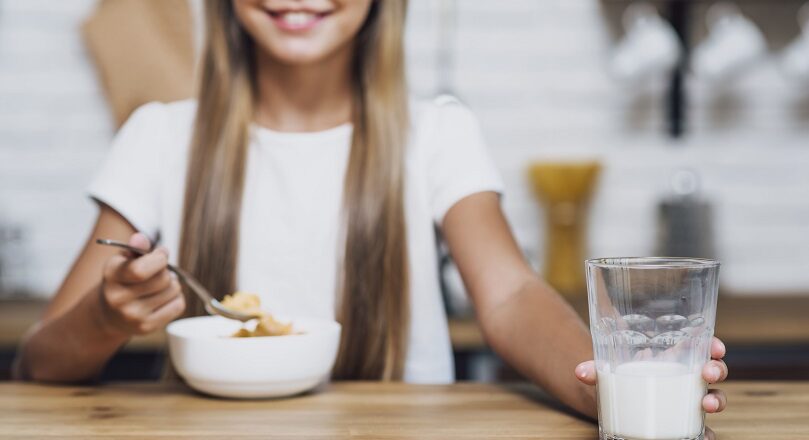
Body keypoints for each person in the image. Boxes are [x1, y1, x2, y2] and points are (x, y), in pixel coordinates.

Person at [13, 0, 727, 421]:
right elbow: (40, 363)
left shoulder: (437, 132)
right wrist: (107, 316)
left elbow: (509, 295)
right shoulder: (161, 136)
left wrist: (605, 379)